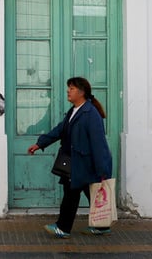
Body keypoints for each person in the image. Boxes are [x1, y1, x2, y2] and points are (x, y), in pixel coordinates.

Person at [27, 77, 113, 239]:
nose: (68, 91)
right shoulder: (74, 111)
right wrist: (40, 144)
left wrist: (103, 170)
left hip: (84, 164)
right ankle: (102, 227)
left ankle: (63, 228)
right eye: (69, 88)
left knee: (72, 195)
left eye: (72, 88)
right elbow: (60, 130)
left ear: (81, 92)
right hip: (76, 163)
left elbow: (98, 143)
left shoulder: (90, 114)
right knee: (89, 193)